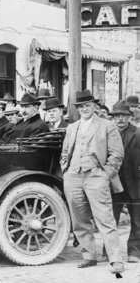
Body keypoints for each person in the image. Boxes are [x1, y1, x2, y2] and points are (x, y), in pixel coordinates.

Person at [61, 89, 124, 274]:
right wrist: (66, 169)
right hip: (73, 176)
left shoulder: (107, 125)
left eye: (87, 105)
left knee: (105, 218)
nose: (84, 109)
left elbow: (117, 154)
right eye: (80, 106)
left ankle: (116, 259)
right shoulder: (72, 127)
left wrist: (106, 175)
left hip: (96, 176)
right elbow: (65, 152)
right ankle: (89, 255)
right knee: (79, 219)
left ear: (95, 106)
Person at [108, 100, 140, 264]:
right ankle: (108, 252)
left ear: (129, 117)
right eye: (116, 115)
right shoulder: (107, 133)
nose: (120, 119)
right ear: (112, 117)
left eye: (123, 115)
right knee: (110, 218)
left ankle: (134, 251)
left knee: (137, 220)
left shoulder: (137, 133)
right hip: (114, 184)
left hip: (135, 183)